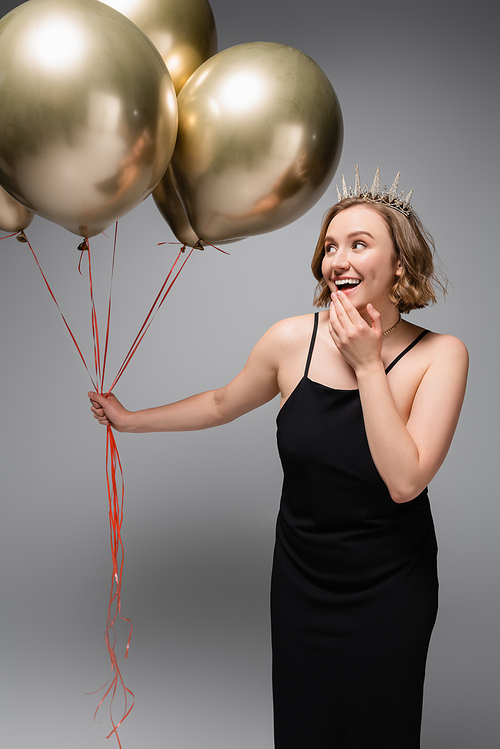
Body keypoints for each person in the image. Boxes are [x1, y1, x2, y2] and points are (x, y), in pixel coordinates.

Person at [89, 167, 468, 748]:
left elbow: (404, 481)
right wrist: (131, 419)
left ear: (400, 265)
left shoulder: (440, 355)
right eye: (329, 247)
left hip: (391, 585)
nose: (337, 259)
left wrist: (367, 364)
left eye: (359, 244)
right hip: (302, 579)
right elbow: (220, 403)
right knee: (304, 729)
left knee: (380, 729)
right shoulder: (291, 340)